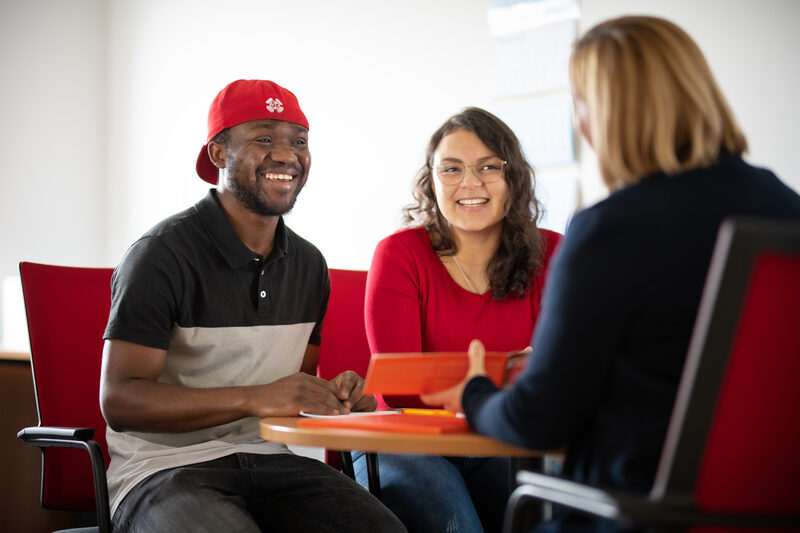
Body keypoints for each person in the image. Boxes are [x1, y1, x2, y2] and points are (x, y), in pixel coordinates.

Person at [421, 16, 800, 533]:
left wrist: (476, 393)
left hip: (630, 514)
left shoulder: (610, 229)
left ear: (600, 116)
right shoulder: (786, 210)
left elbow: (538, 420)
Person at [99, 79, 406, 532]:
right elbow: (120, 400)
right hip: (162, 470)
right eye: (264, 138)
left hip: (271, 461)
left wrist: (335, 398)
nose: (286, 154)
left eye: (298, 141)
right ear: (219, 153)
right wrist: (256, 398)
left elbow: (291, 390)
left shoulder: (309, 265)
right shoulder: (161, 255)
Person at [352, 107, 562, 533]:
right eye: (451, 169)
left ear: (513, 178)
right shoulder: (399, 254)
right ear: (431, 180)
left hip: (505, 438)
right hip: (405, 443)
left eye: (488, 167)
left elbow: (565, 376)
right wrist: (507, 374)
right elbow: (398, 387)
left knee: (556, 516)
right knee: (457, 524)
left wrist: (471, 383)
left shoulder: (554, 252)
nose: (470, 183)